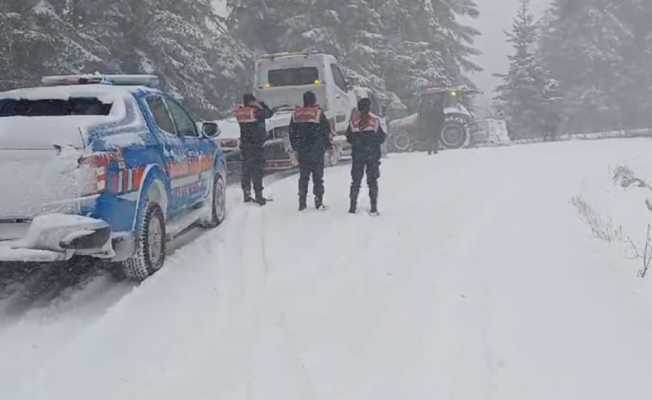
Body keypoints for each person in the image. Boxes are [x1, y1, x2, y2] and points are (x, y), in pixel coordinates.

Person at [289, 91, 332, 211]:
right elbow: (325, 130)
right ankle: (318, 202)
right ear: (314, 100)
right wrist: (327, 145)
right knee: (318, 177)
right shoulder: (318, 113)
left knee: (303, 177)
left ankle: (302, 202)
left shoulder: (296, 114)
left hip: (303, 150)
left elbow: (291, 132)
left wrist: (296, 147)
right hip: (317, 150)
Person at [346, 98, 387, 215]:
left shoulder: (353, 122)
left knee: (355, 181)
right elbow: (382, 137)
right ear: (369, 108)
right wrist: (371, 143)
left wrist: (358, 142)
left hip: (358, 155)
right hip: (372, 156)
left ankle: (352, 207)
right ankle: (374, 207)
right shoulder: (375, 121)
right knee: (372, 181)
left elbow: (348, 137)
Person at [235, 93, 274, 205]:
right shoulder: (256, 111)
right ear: (252, 101)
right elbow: (269, 114)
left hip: (245, 144)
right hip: (256, 145)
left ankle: (246, 194)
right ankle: (259, 196)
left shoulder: (240, 112)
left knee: (246, 169)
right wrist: (261, 105)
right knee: (257, 170)